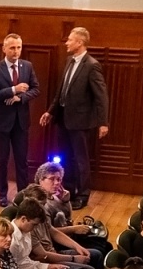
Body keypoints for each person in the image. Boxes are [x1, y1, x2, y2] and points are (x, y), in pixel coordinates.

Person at [38, 27, 109, 205]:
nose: (67, 43)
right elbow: (61, 91)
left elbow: (101, 96)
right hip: (63, 120)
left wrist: (103, 122)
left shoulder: (92, 65)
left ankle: (83, 196)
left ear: (80, 42)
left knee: (81, 160)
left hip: (81, 122)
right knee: (65, 159)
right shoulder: (69, 60)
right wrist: (50, 111)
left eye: (70, 40)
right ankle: (67, 191)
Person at [0, 34, 39, 206]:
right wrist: (13, 90)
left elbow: (35, 89)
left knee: (22, 160)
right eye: (12, 48)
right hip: (1, 123)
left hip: (21, 122)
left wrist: (20, 97)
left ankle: (23, 194)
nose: (16, 51)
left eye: (19, 47)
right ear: (4, 49)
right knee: (2, 160)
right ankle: (2, 194)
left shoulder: (27, 66)